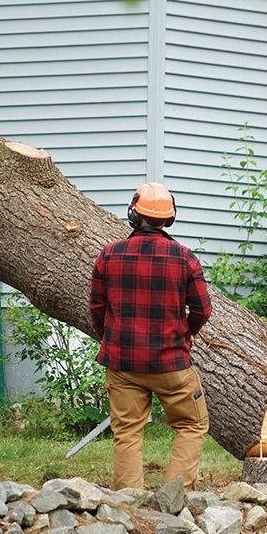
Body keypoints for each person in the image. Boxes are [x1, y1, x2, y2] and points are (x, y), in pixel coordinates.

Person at [88, 182, 212, 491]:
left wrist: (112, 339)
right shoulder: (185, 259)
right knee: (192, 424)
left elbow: (96, 307)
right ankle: (176, 497)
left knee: (127, 431)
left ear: (133, 214)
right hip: (171, 363)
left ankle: (128, 504)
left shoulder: (108, 255)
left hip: (122, 363)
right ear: (169, 219)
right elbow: (202, 310)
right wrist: (187, 333)